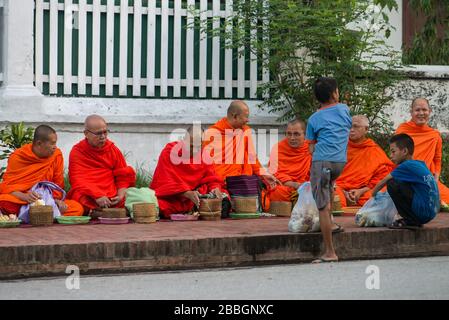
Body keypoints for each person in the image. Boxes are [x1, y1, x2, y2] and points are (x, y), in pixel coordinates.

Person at [306, 77, 352, 263]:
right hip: (340, 162)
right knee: (329, 190)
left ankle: (330, 252)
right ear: (334, 94)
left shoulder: (314, 118)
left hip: (322, 161)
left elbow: (310, 146)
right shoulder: (344, 109)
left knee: (322, 207)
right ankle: (331, 224)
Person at [0, 125, 83, 216]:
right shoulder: (18, 157)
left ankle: (34, 214)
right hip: (23, 201)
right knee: (4, 201)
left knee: (77, 208)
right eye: (52, 143)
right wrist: (24, 196)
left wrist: (56, 201)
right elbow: (7, 186)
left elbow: (58, 186)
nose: (55, 147)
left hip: (48, 201)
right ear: (39, 143)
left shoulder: (56, 155)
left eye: (55, 143)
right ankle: (48, 214)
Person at [151, 125, 229, 219]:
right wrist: (186, 192)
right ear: (184, 140)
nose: (194, 150)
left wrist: (215, 189)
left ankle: (199, 208)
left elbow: (211, 178)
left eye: (198, 147)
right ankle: (197, 209)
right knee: (155, 204)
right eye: (190, 146)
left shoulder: (204, 155)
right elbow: (164, 181)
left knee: (223, 198)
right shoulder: (170, 151)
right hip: (172, 197)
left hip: (195, 197)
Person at [67, 115, 136, 214]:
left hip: (112, 195)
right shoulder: (77, 151)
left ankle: (97, 211)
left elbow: (123, 176)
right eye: (98, 133)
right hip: (90, 194)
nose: (103, 137)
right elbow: (77, 180)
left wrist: (120, 195)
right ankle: (102, 211)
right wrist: (97, 195)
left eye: (105, 132)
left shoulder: (112, 149)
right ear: (86, 133)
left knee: (137, 197)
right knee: (78, 196)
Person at [203, 100, 279, 189]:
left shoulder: (245, 131)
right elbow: (207, 164)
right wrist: (218, 181)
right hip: (220, 181)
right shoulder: (213, 133)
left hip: (243, 179)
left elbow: (252, 157)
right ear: (235, 116)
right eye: (246, 117)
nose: (248, 120)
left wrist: (264, 174)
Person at [371, 133, 439, 229]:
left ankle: (410, 220)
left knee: (392, 183)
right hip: (432, 212)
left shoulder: (406, 165)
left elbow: (383, 181)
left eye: (393, 151)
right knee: (400, 182)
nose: (391, 156)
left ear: (405, 151)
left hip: (423, 212)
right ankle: (413, 219)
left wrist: (373, 195)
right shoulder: (420, 164)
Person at [395, 97, 449, 205]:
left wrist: (435, 180)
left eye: (424, 110)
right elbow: (397, 158)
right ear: (411, 112)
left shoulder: (434, 135)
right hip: (406, 176)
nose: (421, 113)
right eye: (417, 110)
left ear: (430, 111)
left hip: (426, 178)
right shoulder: (402, 131)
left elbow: (437, 159)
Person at [335, 115, 395, 207]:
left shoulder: (373, 150)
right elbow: (330, 172)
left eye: (355, 126)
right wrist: (344, 192)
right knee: (333, 194)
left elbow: (382, 176)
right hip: (340, 188)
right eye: (349, 126)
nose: (351, 130)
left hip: (364, 191)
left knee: (384, 193)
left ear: (366, 129)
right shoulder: (339, 146)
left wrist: (361, 191)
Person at [265, 119, 312, 209]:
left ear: (305, 135)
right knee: (276, 191)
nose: (292, 138)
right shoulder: (278, 148)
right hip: (286, 186)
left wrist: (306, 185)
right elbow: (275, 173)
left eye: (296, 134)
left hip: (306, 186)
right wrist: (294, 185)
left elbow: (317, 171)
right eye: (289, 134)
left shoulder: (310, 148)